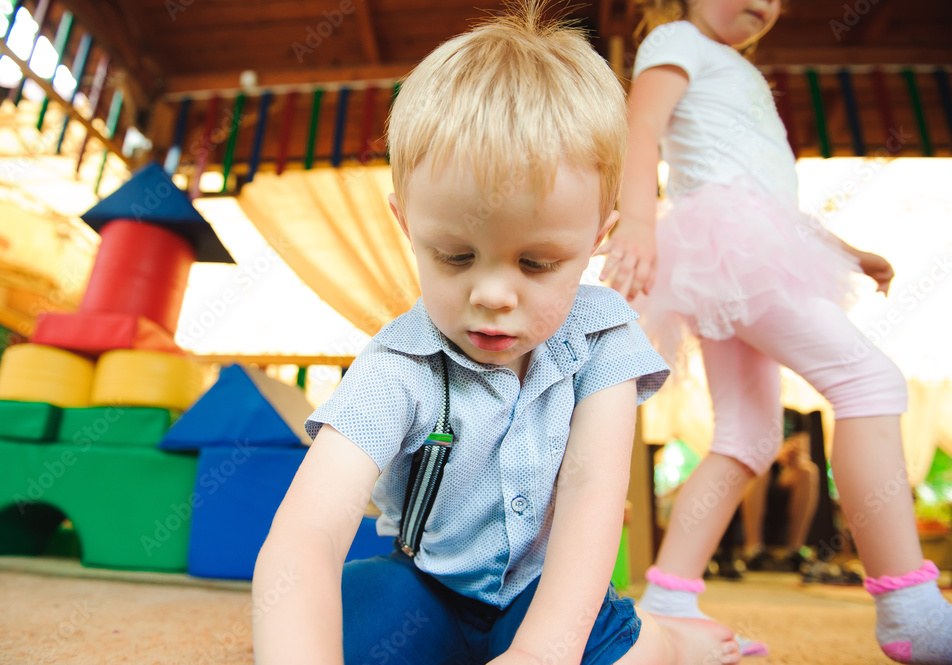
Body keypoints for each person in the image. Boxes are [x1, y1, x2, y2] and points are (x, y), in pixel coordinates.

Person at [252, 3, 743, 664]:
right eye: (455, 256)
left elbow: (592, 493)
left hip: (548, 596)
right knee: (356, 611)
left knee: (620, 649)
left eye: (537, 263)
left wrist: (544, 650)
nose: (491, 294)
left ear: (595, 239)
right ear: (408, 225)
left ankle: (676, 639)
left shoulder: (604, 341)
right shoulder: (398, 363)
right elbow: (306, 534)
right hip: (428, 590)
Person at [597, 0, 952, 662]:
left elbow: (768, 194)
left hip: (749, 242)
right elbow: (641, 128)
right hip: (727, 246)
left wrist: (843, 250)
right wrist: (639, 223)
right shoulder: (676, 40)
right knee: (870, 380)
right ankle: (908, 604)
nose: (763, 2)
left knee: (748, 435)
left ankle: (669, 599)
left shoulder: (744, 74)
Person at [741, 409, 820, 573]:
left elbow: (804, 453)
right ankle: (753, 548)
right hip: (758, 471)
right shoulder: (753, 411)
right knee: (759, 472)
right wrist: (776, 453)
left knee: (809, 471)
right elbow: (747, 451)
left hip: (785, 473)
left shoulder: (797, 416)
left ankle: (795, 549)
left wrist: (792, 455)